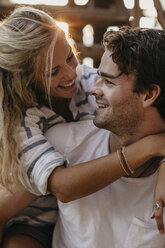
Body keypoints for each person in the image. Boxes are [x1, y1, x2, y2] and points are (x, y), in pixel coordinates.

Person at [0, 6, 165, 248]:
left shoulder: (85, 81)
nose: (71, 74)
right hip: (35, 216)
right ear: (27, 78)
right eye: (53, 72)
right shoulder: (25, 123)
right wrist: (150, 147)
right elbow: (61, 187)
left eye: (69, 57)